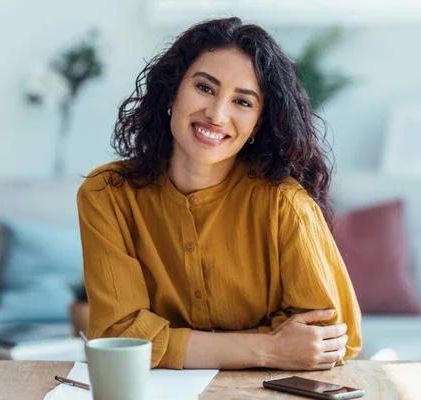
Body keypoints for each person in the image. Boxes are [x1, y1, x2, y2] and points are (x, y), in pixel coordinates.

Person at [77, 17, 362, 371]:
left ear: (259, 123)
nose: (216, 114)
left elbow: (327, 338)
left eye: (242, 102)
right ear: (172, 92)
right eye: (205, 88)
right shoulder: (107, 194)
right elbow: (118, 336)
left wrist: (168, 343)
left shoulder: (285, 205)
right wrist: (268, 349)